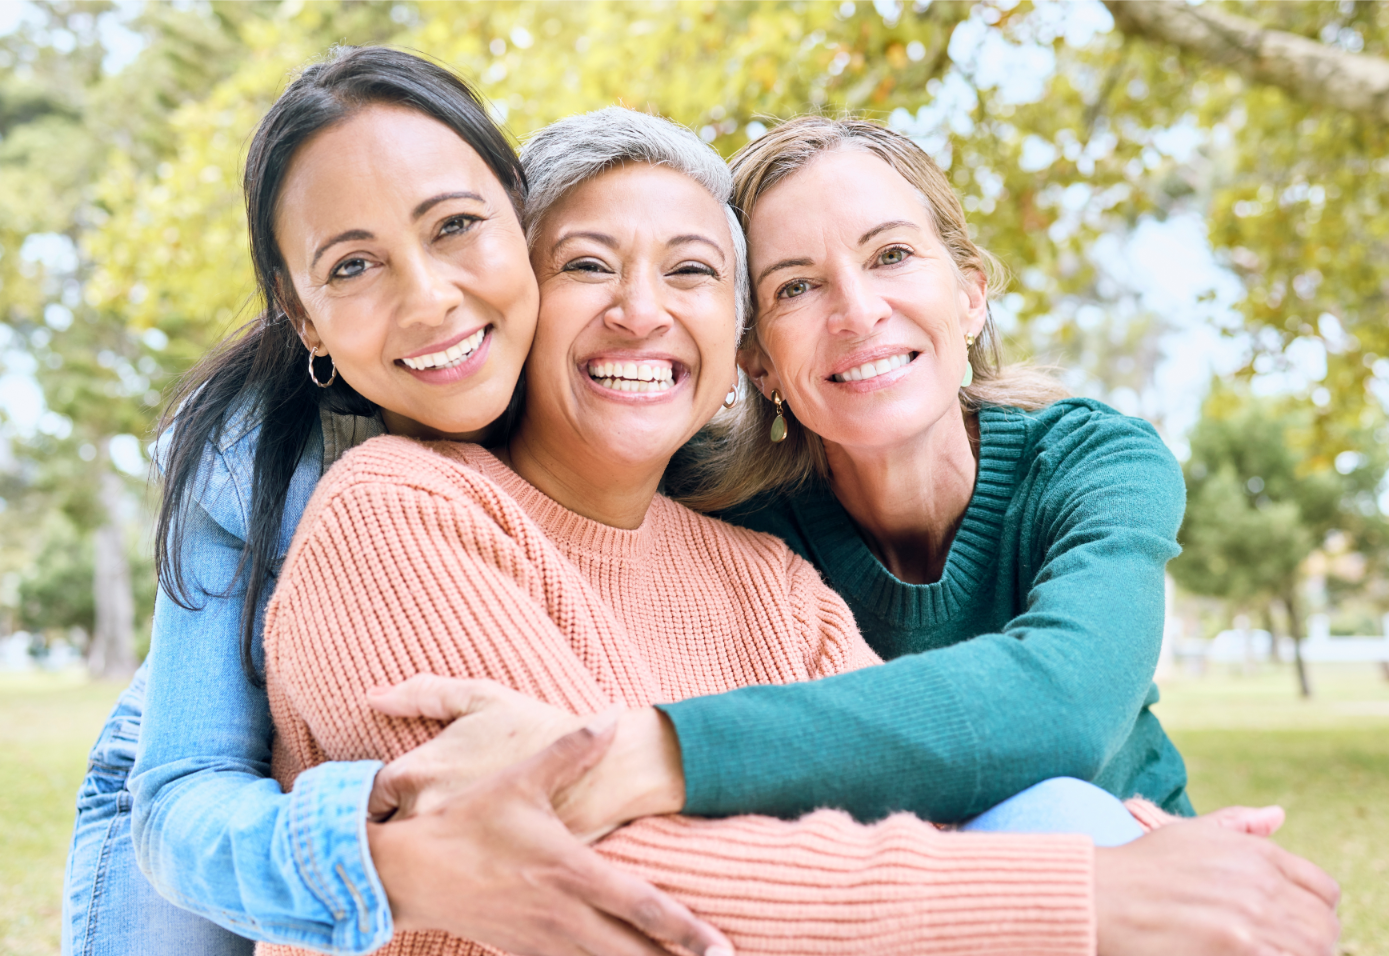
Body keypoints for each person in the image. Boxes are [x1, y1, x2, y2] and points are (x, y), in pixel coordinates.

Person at [259, 106, 1341, 956]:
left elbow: (985, 765)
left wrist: (1153, 859)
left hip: (1084, 811)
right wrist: (1087, 894)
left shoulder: (764, 568)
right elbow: (604, 875)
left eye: (689, 270)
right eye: (586, 264)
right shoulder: (399, 508)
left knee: (1064, 806)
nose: (642, 308)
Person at [65, 47, 730, 956]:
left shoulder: (621, 386)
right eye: (349, 268)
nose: (429, 301)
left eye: (455, 224)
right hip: (203, 791)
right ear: (306, 320)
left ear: (518, 215)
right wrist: (382, 859)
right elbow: (184, 793)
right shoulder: (249, 455)